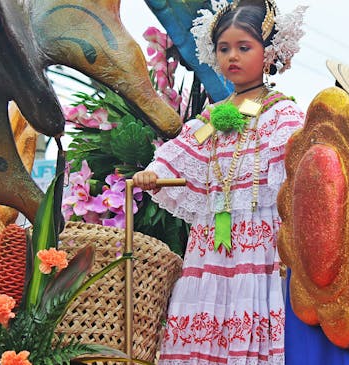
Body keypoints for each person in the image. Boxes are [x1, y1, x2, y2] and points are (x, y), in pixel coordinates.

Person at [132, 0, 307, 363]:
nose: (233, 57)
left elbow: (300, 169)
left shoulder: (282, 114)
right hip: (212, 243)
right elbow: (182, 151)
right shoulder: (212, 118)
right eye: (224, 48)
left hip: (260, 246)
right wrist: (155, 173)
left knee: (251, 311)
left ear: (269, 52)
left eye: (244, 47)